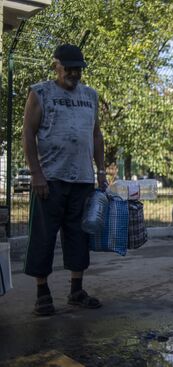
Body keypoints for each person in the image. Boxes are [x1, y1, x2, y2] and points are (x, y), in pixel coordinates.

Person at [22, 44, 107, 316]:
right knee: (44, 237)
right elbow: (28, 134)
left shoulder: (91, 95)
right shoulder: (41, 93)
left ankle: (76, 291)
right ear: (55, 65)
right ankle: (42, 293)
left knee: (78, 237)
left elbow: (96, 136)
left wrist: (101, 171)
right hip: (50, 179)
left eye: (78, 68)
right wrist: (36, 174)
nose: (73, 72)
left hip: (82, 179)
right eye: (68, 67)